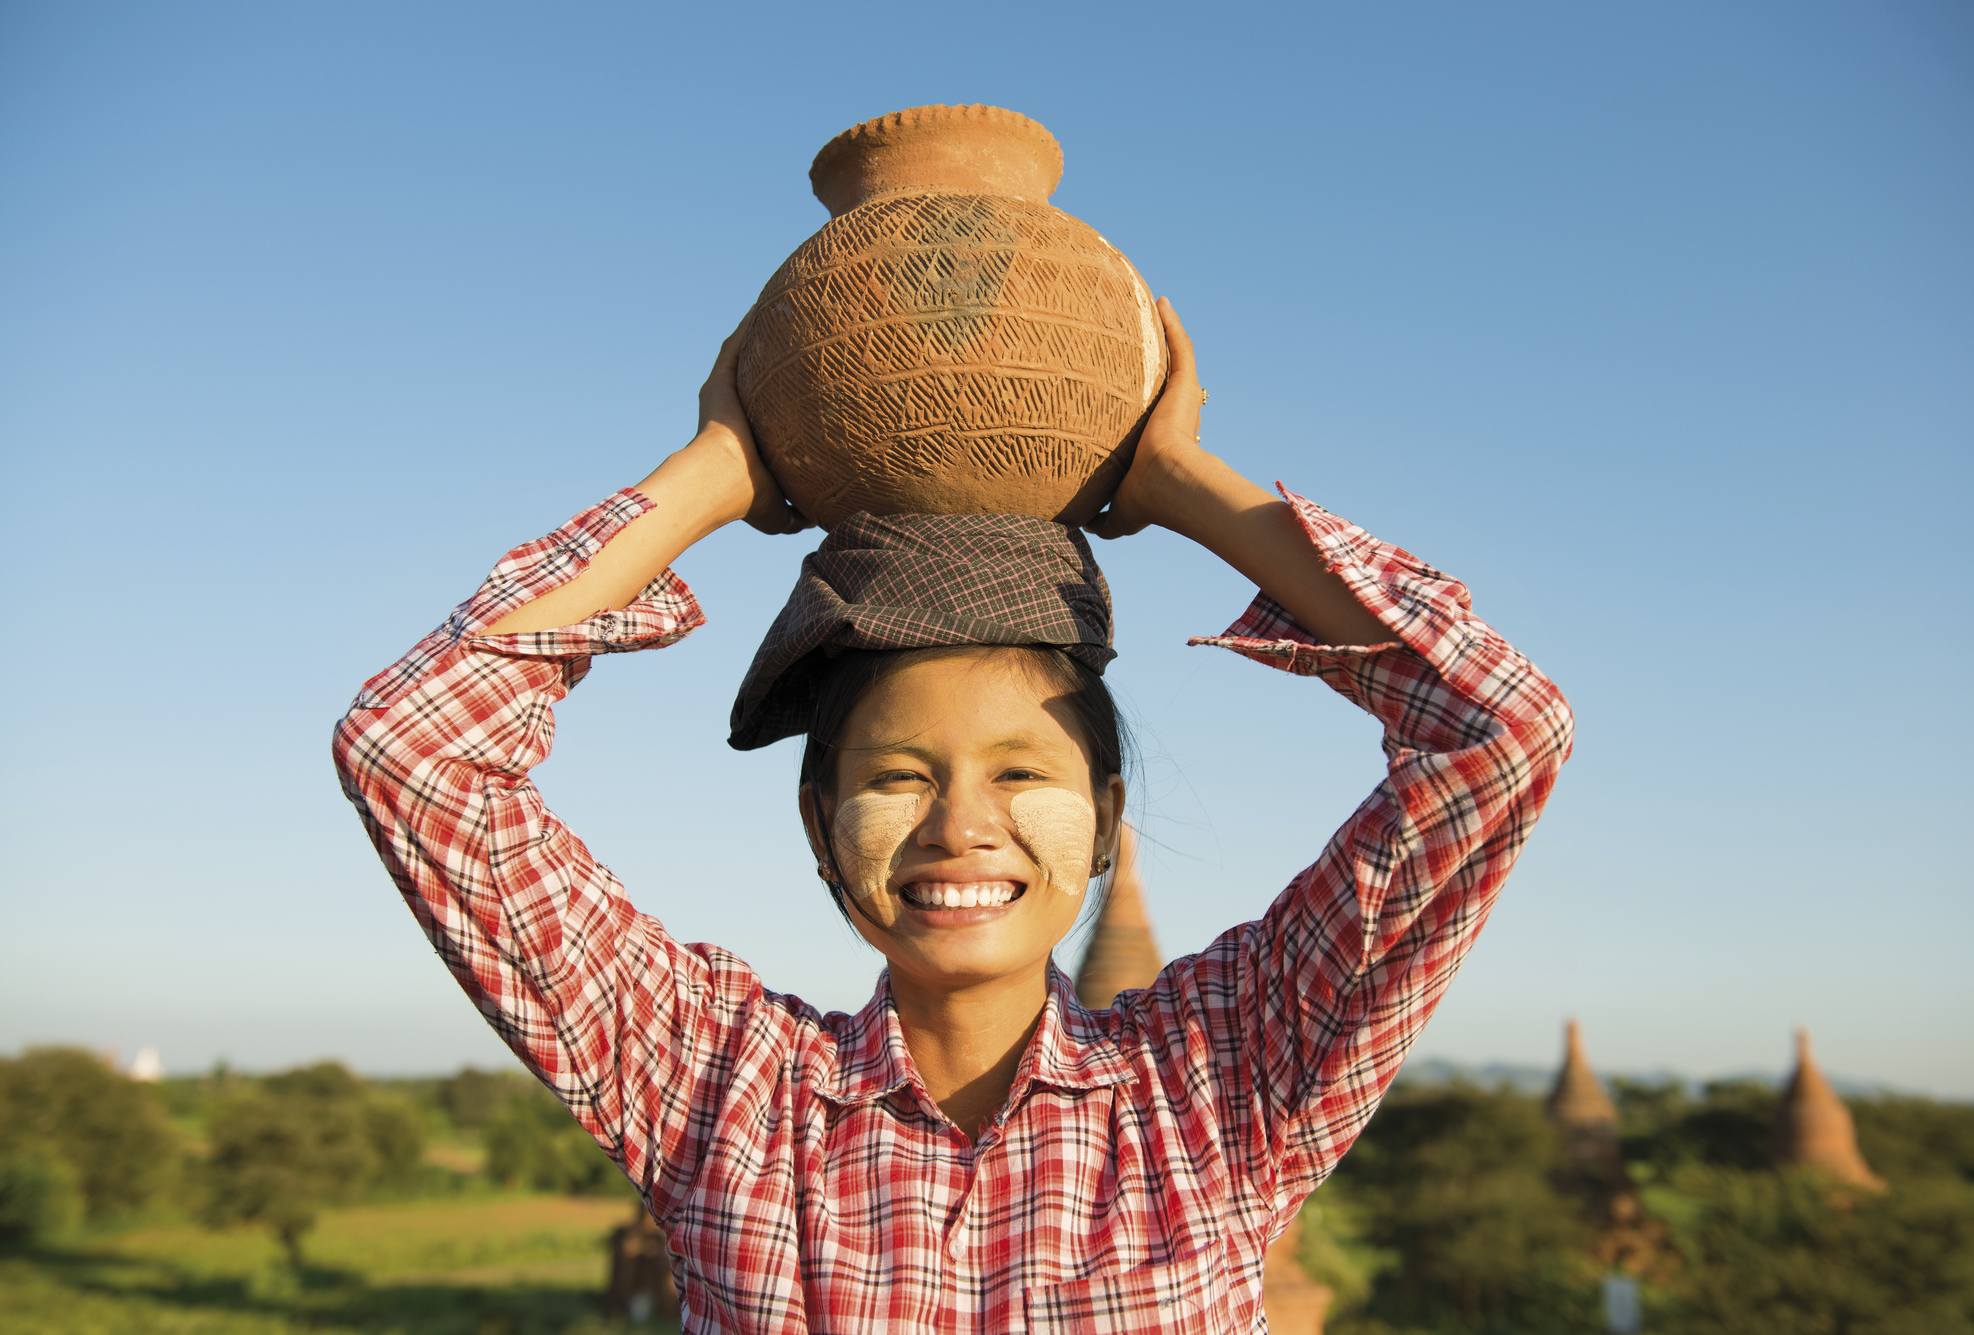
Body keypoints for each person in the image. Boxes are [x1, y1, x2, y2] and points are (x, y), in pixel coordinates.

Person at [333, 299, 1573, 1333]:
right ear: (819, 829)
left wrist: (1182, 482)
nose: (959, 826)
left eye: (1023, 774)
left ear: (1103, 815)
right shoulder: (717, 1091)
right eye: (895, 777)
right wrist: (711, 475)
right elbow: (411, 755)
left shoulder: (1218, 1085)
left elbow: (1495, 735)